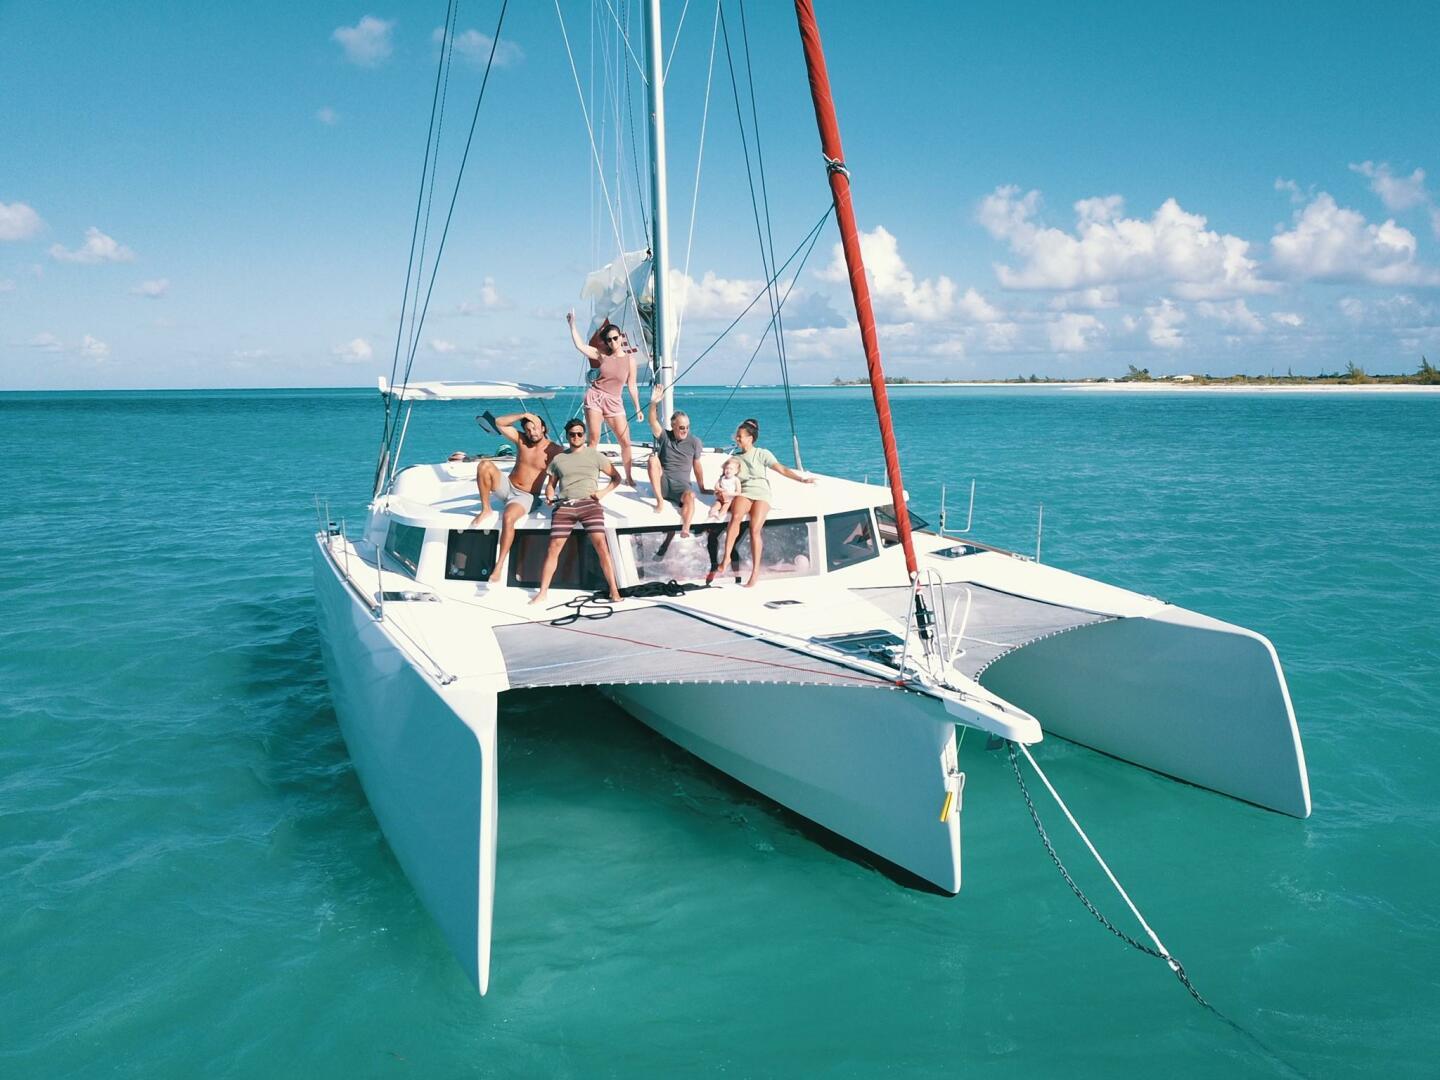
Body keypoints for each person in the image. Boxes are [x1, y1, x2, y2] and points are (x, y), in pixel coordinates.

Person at [713, 418, 815, 588]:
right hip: (744, 492)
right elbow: (725, 478)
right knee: (736, 516)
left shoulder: (762, 453)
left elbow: (781, 469)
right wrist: (718, 491)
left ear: (750, 438)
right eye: (737, 436)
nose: (737, 439)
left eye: (740, 436)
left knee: (755, 529)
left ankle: (755, 572)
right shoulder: (735, 458)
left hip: (761, 493)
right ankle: (726, 557)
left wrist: (801, 479)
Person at [530, 419, 623, 604]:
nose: (576, 437)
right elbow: (551, 485)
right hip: (565, 506)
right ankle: (542, 593)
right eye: (572, 434)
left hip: (590, 504)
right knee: (553, 547)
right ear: (567, 436)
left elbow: (616, 477)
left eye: (580, 434)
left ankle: (614, 590)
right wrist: (549, 495)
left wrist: (602, 493)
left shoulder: (596, 456)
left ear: (584, 435)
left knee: (601, 545)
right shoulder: (559, 459)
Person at [470, 411, 561, 584]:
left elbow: (561, 470)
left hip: (526, 496)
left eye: (535, 428)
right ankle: (486, 509)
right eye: (528, 430)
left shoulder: (554, 450)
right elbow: (499, 422)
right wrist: (524, 415)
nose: (532, 433)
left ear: (543, 428)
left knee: (508, 517)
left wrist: (553, 492)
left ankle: (499, 566)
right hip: (508, 487)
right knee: (484, 465)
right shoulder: (521, 441)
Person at [567, 311, 641, 486]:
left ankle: (629, 476)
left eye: (615, 338)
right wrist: (572, 325)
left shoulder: (630, 360)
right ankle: (588, 476)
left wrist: (637, 408)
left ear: (621, 337)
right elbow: (580, 346)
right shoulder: (602, 355)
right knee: (593, 439)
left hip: (614, 401)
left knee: (625, 442)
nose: (612, 342)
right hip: (595, 397)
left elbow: (632, 385)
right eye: (608, 340)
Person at [646, 392, 706, 537]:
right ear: (673, 426)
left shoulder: (695, 442)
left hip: (681, 487)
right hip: (663, 483)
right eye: (681, 427)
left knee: (690, 496)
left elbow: (697, 466)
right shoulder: (665, 436)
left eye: (687, 427)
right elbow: (653, 421)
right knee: (653, 459)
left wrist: (702, 487)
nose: (685, 430)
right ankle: (660, 500)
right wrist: (653, 403)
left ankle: (685, 528)